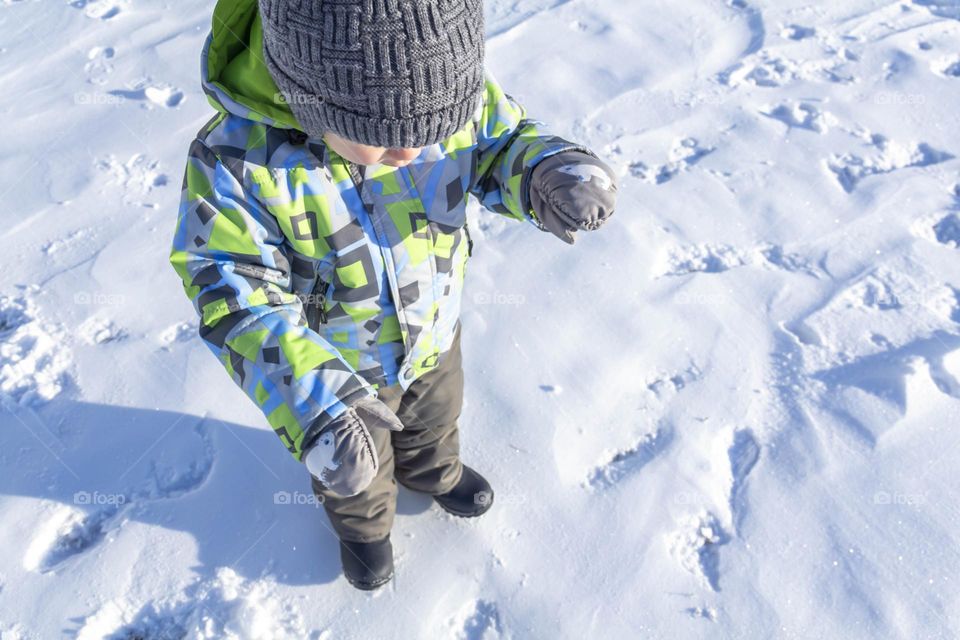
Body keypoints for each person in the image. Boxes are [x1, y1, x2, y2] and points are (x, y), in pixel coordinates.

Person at [169, 0, 617, 590]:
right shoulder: (237, 162)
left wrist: (542, 170)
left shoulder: (443, 83)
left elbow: (498, 140)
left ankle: (435, 473)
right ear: (311, 99)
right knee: (356, 467)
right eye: (379, 140)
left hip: (434, 329)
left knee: (436, 418)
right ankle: (364, 528)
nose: (409, 153)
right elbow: (232, 289)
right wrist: (317, 399)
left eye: (430, 133)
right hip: (340, 371)